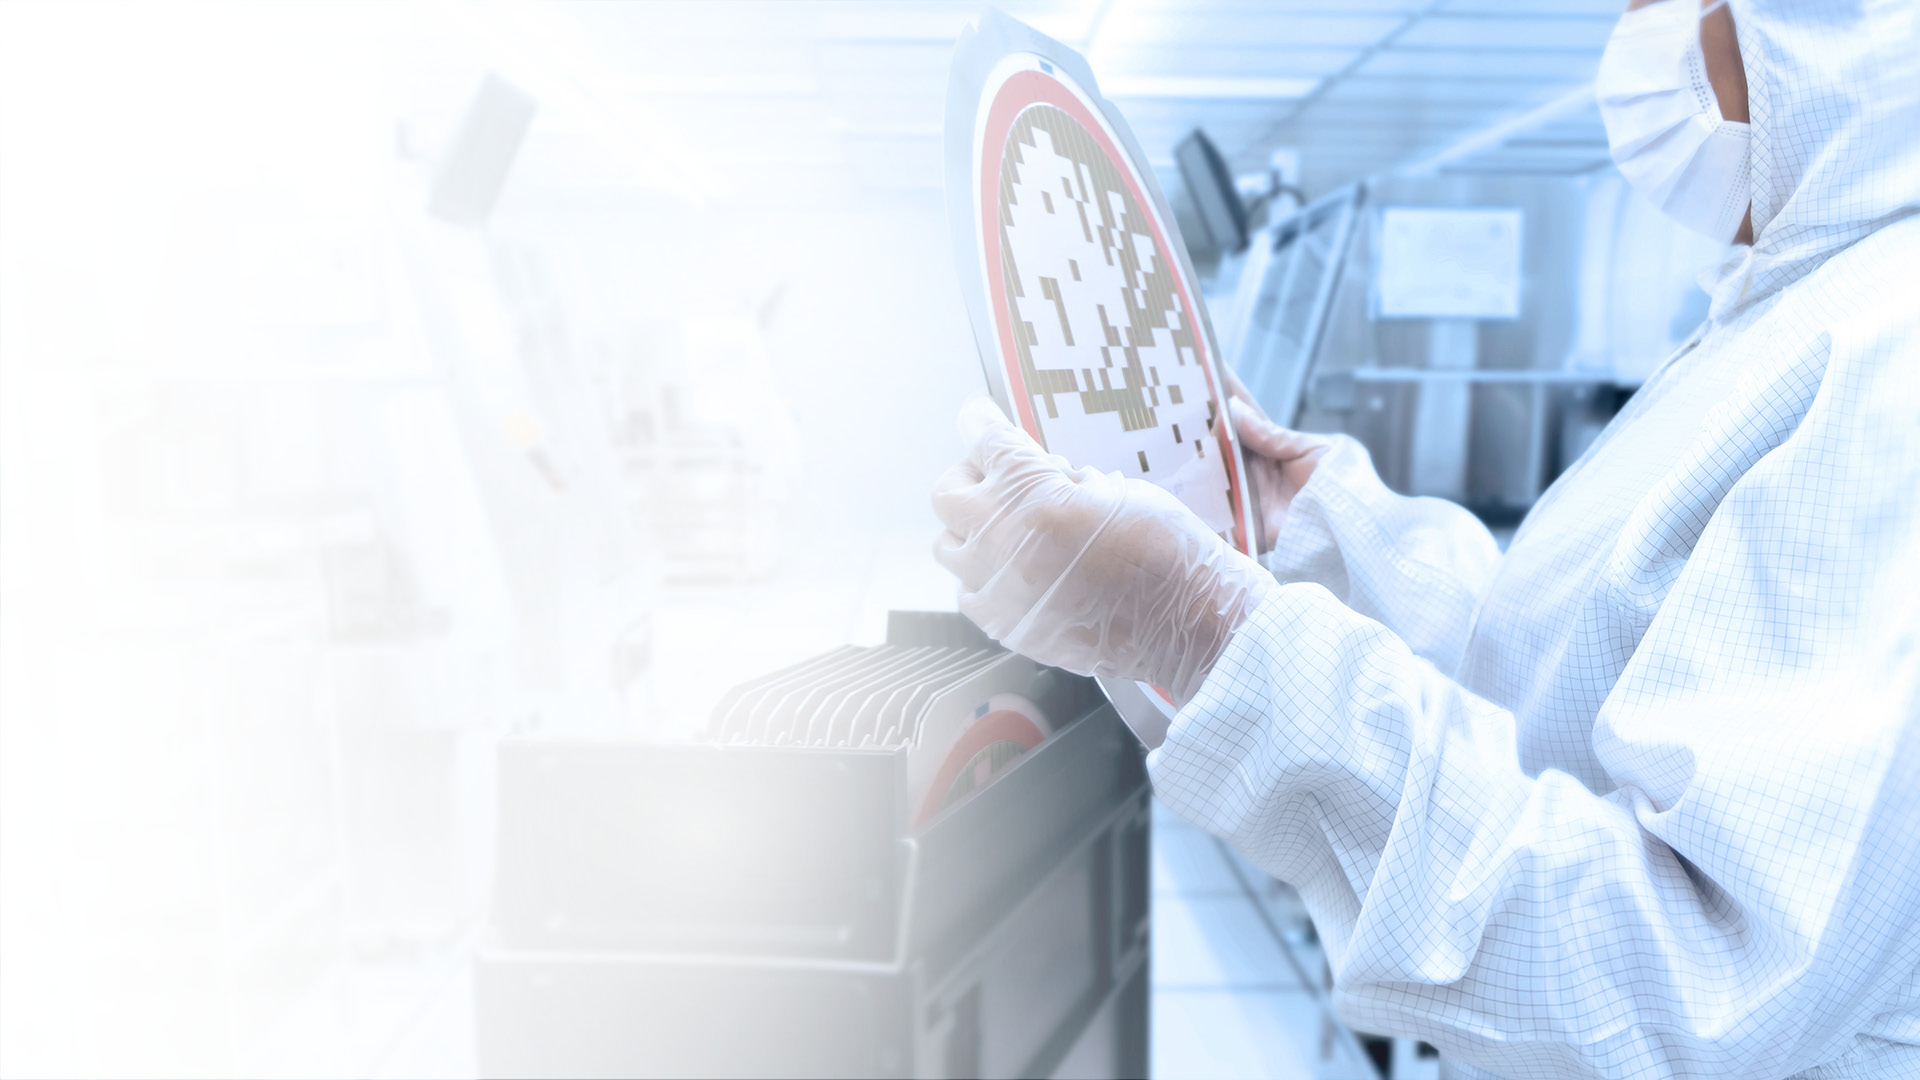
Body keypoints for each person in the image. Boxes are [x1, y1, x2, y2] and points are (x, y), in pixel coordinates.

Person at [931, 0, 1920, 1075]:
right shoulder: (1795, 309)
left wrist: (1210, 632)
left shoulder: (1891, 359)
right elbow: (1567, 692)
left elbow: (1681, 996)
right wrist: (1322, 536)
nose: (1640, 29)